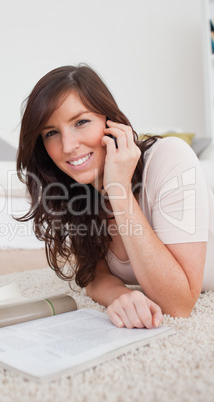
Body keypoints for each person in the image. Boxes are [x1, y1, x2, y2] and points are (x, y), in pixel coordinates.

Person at [17, 64, 214, 329]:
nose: (67, 146)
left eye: (81, 122)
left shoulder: (169, 158)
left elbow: (179, 305)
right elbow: (94, 273)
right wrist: (121, 296)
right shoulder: (77, 190)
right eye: (51, 133)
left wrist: (118, 187)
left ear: (111, 122)